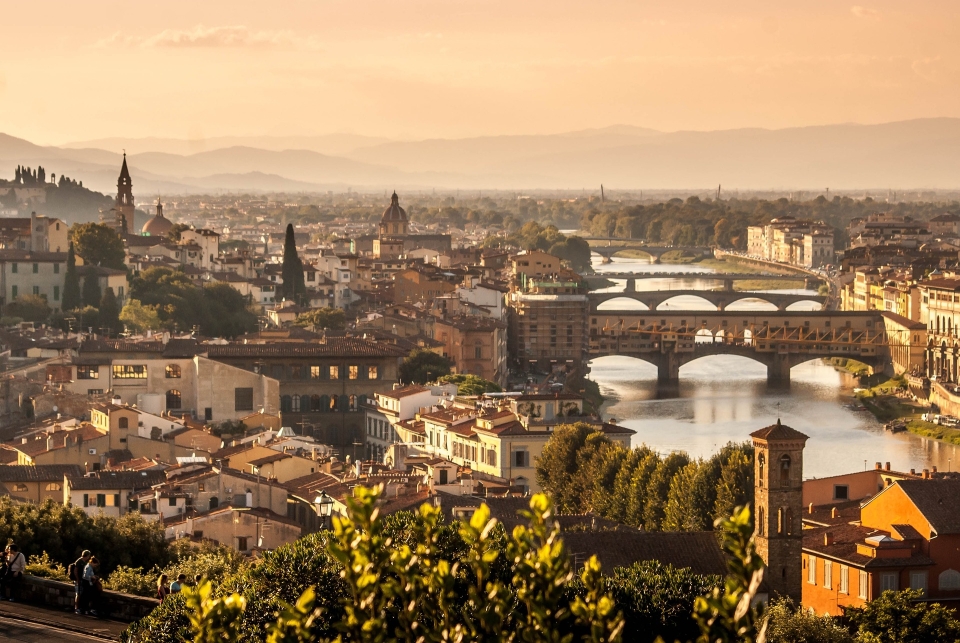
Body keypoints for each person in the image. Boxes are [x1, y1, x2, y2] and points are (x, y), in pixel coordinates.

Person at [70, 550, 92, 615]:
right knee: (78, 594)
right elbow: (75, 571)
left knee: (81, 594)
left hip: (82, 580)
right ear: (87, 555)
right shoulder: (79, 561)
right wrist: (77, 579)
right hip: (78, 580)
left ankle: (80, 608)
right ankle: (76, 608)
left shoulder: (85, 562)